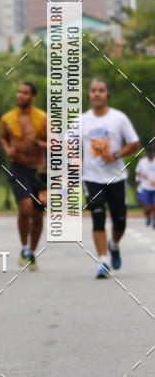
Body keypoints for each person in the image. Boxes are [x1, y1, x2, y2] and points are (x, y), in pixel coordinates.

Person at [82, 80, 141, 278]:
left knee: (120, 222)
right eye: (93, 91)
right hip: (91, 177)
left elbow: (134, 143)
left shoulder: (119, 118)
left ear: (107, 94)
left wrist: (115, 155)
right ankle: (103, 261)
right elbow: (68, 143)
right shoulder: (81, 120)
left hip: (116, 177)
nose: (97, 94)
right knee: (98, 217)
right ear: (89, 95)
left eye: (101, 90)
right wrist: (74, 159)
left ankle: (114, 245)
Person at [0, 82, 48, 271]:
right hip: (18, 168)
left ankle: (32, 252)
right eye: (19, 92)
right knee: (25, 208)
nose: (20, 95)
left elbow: (55, 142)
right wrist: (7, 149)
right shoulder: (8, 118)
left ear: (32, 97)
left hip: (40, 172)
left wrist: (39, 144)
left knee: (37, 215)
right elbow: (3, 138)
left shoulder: (42, 118)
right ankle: (24, 247)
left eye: (25, 93)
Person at [135, 143, 155, 227]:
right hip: (145, 187)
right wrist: (142, 175)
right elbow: (137, 172)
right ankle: (148, 217)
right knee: (147, 206)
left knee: (154, 205)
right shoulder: (142, 162)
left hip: (154, 188)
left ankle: (154, 220)